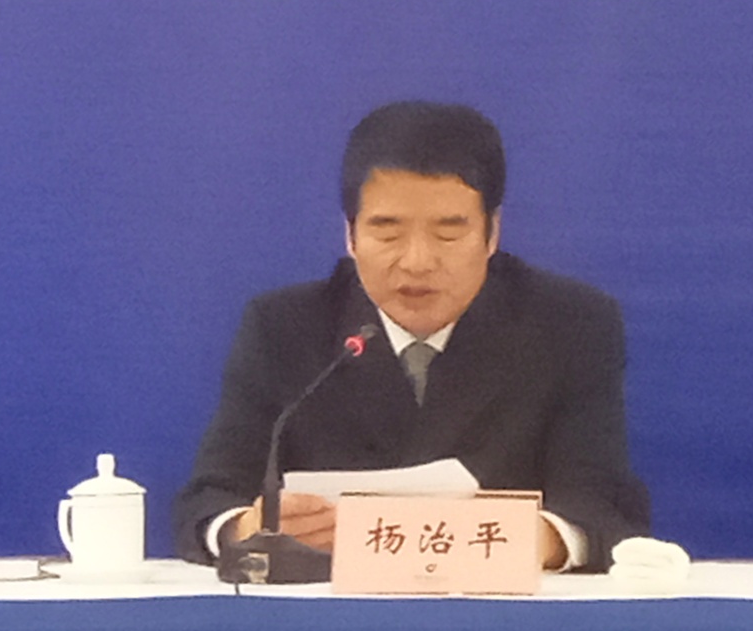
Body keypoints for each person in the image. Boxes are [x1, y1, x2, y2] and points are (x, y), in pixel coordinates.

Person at [177, 98, 645, 575]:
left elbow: (601, 505)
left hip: (494, 606)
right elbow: (208, 501)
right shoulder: (283, 327)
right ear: (350, 235)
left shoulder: (569, 325)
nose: (417, 262)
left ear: (492, 233)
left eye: (448, 233)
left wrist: (537, 540)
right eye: (387, 233)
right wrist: (247, 528)